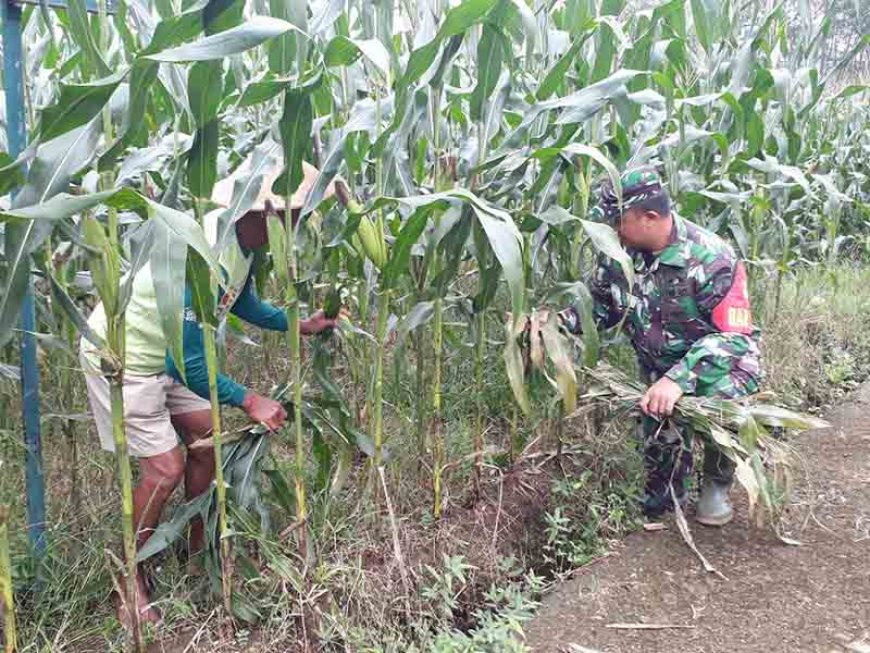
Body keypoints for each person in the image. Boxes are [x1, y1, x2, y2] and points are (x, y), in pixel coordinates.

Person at [79, 163, 344, 625]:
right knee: (165, 468)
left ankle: (194, 543)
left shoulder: (248, 244)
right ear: (259, 211)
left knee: (209, 443)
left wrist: (299, 325)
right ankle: (128, 578)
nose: (298, 224)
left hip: (171, 355)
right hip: (127, 355)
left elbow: (242, 302)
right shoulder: (198, 249)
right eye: (291, 214)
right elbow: (190, 363)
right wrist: (249, 399)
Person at [555, 168, 763, 526]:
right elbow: (601, 307)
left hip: (718, 367)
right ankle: (667, 492)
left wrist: (678, 380)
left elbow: (735, 337)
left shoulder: (712, 257)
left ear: (651, 217)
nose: (613, 230)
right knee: (659, 467)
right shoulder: (619, 254)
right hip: (657, 368)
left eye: (619, 221)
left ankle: (716, 482)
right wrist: (554, 324)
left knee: (721, 407)